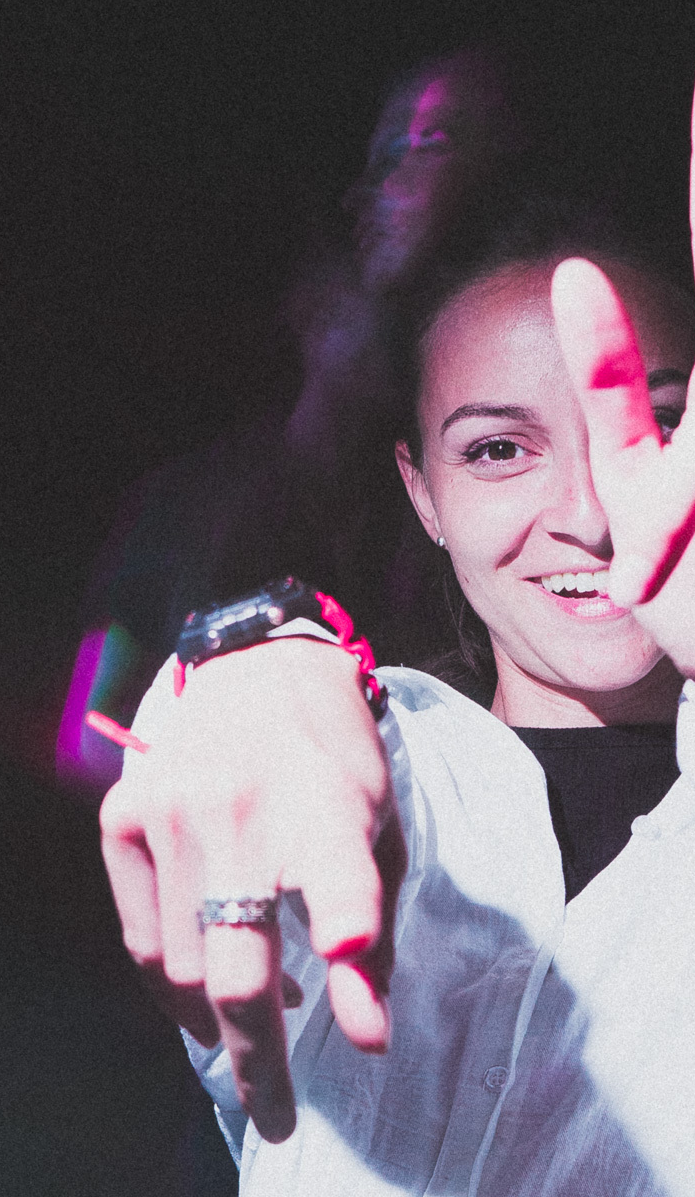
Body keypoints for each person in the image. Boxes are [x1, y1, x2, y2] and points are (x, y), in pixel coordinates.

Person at [98, 31, 695, 1197]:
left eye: (655, 425)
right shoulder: (382, 773)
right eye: (499, 448)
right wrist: (251, 667)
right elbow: (244, 767)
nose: (588, 515)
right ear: (423, 494)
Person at [56, 49, 528, 799]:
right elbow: (90, 732)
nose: (382, 191)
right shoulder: (193, 504)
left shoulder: (481, 511)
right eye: (388, 154)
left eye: (431, 144)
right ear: (307, 307)